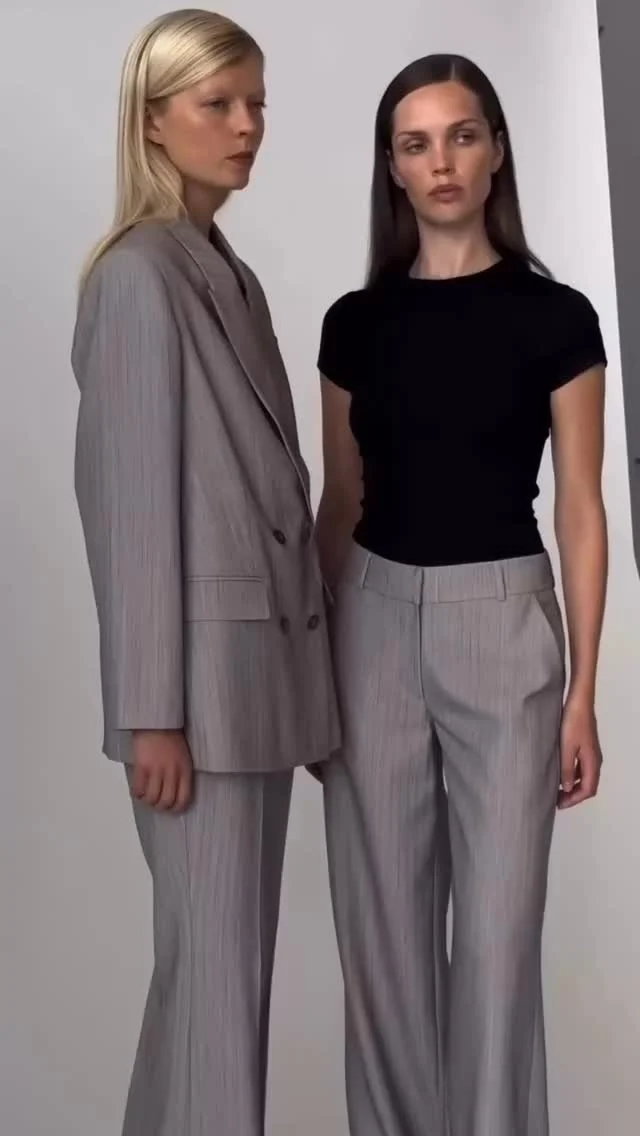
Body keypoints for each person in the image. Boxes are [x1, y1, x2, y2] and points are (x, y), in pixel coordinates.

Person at [315, 53, 607, 1136]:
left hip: (504, 622)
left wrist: (582, 695)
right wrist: (311, 668)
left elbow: (581, 510)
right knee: (383, 944)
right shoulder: (355, 324)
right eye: (415, 143)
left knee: (496, 941)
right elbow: (339, 500)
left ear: (495, 153)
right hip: (370, 626)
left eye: (462, 135)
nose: (440, 161)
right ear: (392, 168)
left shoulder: (557, 317)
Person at [71, 10, 339, 1136]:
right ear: (153, 120)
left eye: (257, 103)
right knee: (215, 994)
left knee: (217, 993)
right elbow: (129, 510)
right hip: (195, 705)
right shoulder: (140, 277)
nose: (247, 126)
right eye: (218, 104)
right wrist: (152, 715)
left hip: (250, 691)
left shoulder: (221, 268)